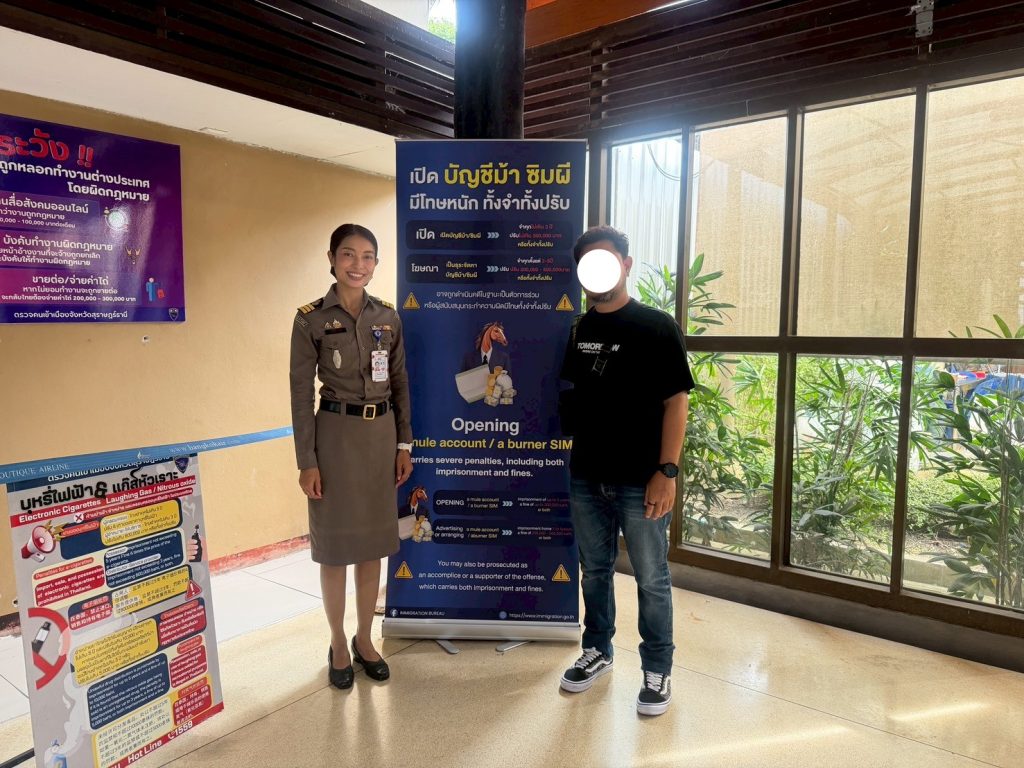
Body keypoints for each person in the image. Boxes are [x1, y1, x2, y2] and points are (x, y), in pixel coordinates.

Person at [558, 225, 694, 716]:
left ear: (626, 265)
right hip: (586, 474)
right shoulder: (579, 329)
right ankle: (598, 649)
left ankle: (657, 667)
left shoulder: (656, 326)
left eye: (607, 261)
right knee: (594, 570)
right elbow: (574, 394)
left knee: (651, 577)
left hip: (642, 479)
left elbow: (676, 402)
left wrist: (667, 470)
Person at [290, 223, 413, 689]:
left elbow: (399, 383)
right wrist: (307, 460)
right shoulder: (310, 320)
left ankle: (364, 638)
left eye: (367, 256)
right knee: (336, 549)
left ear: (376, 263)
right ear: (332, 258)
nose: (357, 265)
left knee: (372, 546)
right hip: (335, 438)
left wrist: (403, 444)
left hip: (380, 438)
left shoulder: (388, 317)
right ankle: (338, 642)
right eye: (348, 254)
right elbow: (300, 394)